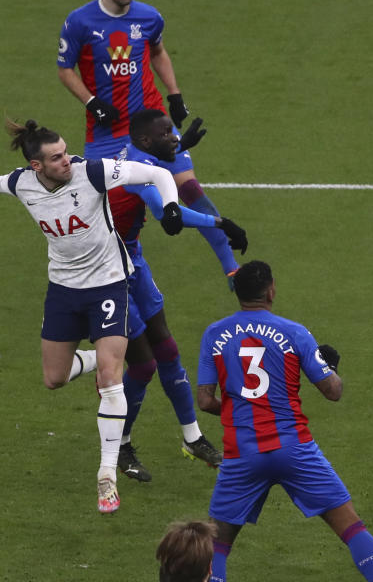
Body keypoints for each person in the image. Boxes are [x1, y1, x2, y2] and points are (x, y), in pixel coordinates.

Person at [0, 118, 187, 514]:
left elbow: (158, 173)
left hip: (109, 284)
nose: (67, 161)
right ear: (36, 166)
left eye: (65, 152)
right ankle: (103, 357)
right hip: (63, 290)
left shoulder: (92, 170)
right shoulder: (22, 183)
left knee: (112, 379)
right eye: (57, 157)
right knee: (54, 378)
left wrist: (173, 207)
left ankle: (106, 475)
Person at [195, 261, 373, 582]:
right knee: (351, 527)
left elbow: (204, 401)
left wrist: (240, 410)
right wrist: (330, 366)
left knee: (218, 545)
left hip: (242, 453)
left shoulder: (214, 334)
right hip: (294, 448)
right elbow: (333, 391)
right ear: (271, 290)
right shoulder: (294, 332)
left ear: (238, 294)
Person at [57, 0, 240, 288]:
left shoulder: (149, 18)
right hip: (106, 135)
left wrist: (175, 95)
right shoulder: (80, 22)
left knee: (188, 187)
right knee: (114, 212)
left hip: (151, 127)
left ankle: (231, 268)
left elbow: (157, 51)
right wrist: (92, 101)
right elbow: (65, 70)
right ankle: (117, 272)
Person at [110, 109, 249, 480]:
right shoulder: (135, 173)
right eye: (167, 133)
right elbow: (170, 216)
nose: (175, 138)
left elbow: (154, 164)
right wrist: (222, 222)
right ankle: (119, 446)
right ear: (145, 140)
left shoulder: (135, 154)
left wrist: (176, 146)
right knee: (143, 364)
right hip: (107, 270)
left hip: (132, 259)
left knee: (167, 349)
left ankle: (192, 438)